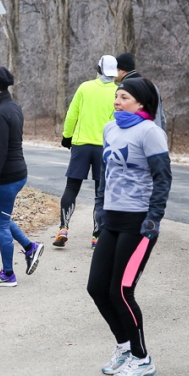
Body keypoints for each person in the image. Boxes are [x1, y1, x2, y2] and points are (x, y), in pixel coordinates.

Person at [88, 77, 171, 376]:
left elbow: (163, 178)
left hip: (139, 224)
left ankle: (141, 357)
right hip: (112, 220)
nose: (117, 101)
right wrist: (100, 207)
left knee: (121, 291)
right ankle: (124, 346)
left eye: (123, 97)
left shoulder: (150, 132)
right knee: (97, 288)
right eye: (116, 96)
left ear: (141, 102)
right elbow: (106, 173)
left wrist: (154, 218)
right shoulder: (111, 129)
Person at [0, 67, 44, 287]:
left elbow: (1, 153)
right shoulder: (12, 107)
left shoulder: (1, 114)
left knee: (2, 224)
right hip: (14, 173)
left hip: (7, 178)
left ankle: (8, 274)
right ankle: (29, 247)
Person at [55, 55, 119, 250]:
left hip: (81, 145)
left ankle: (63, 228)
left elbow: (72, 114)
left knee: (72, 187)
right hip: (105, 148)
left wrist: (67, 136)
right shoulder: (119, 92)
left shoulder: (85, 87)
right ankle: (97, 236)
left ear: (98, 69)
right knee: (101, 192)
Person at [115, 53, 166, 131]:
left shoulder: (127, 88)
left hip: (141, 134)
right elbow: (162, 116)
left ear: (122, 71)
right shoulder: (151, 85)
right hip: (156, 131)